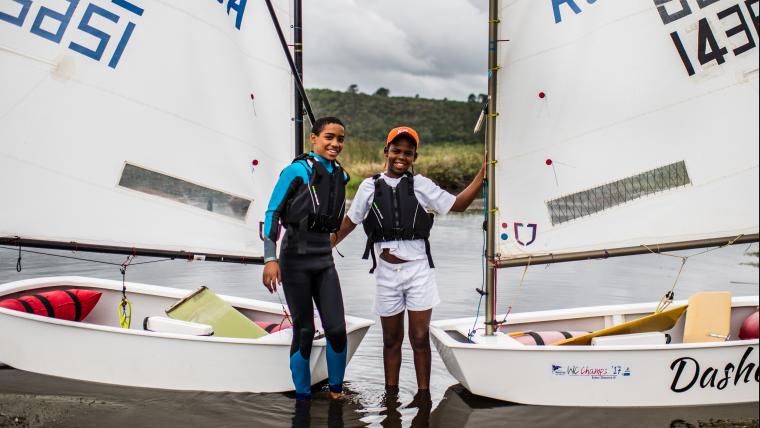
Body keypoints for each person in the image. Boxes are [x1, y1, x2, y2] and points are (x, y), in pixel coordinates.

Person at [332, 126, 485, 394]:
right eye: (396, 150)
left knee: (419, 338)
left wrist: (484, 174)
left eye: (408, 153)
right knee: (391, 339)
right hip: (385, 275)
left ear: (414, 157)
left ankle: (423, 396)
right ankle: (391, 397)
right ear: (386, 151)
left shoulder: (421, 185)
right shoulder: (369, 186)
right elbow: (348, 223)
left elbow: (458, 205)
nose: (401, 156)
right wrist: (322, 249)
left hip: (419, 273)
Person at [262, 117, 350, 401]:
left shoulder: (342, 175)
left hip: (323, 259)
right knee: (304, 329)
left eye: (340, 139)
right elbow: (272, 213)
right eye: (328, 137)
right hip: (294, 258)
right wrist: (269, 259)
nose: (335, 143)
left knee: (336, 328)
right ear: (313, 138)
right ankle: (302, 398)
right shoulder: (295, 171)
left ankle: (336, 393)